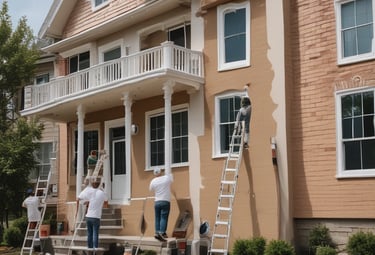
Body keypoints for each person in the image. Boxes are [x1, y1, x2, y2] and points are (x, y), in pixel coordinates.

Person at [77, 177, 108, 251]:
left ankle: (89, 248)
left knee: (89, 233)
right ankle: (95, 249)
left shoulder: (89, 192)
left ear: (92, 185)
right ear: (99, 184)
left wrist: (87, 202)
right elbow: (106, 204)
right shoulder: (102, 193)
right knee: (95, 233)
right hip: (96, 217)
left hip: (88, 216)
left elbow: (79, 198)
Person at [149, 168, 173, 241]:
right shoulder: (166, 178)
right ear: (161, 172)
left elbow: (151, 189)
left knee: (157, 218)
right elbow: (171, 179)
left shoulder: (153, 181)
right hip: (165, 201)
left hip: (157, 201)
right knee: (164, 217)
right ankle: (162, 233)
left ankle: (157, 232)